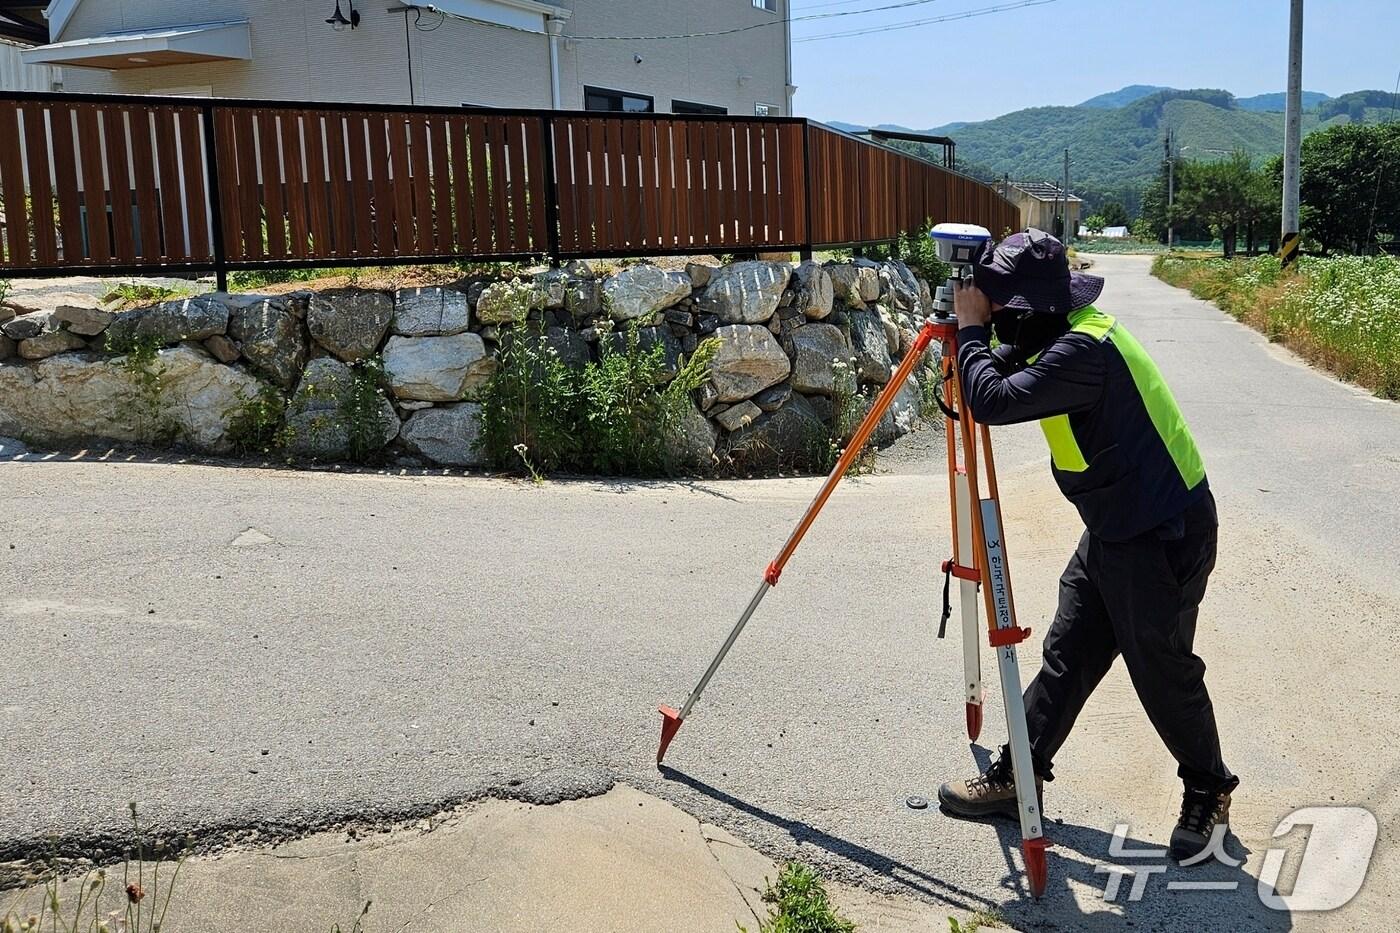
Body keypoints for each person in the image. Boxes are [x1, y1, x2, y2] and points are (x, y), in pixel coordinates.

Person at [935, 229, 1236, 862]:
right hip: (1115, 527)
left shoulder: (1081, 351)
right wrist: (975, 337)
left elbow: (992, 400)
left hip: (1162, 533)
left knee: (1161, 670)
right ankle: (1019, 774)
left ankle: (1209, 791)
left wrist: (969, 331)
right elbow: (1002, 368)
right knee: (1067, 651)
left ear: (1031, 308)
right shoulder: (1054, 331)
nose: (994, 313)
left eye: (1001, 304)